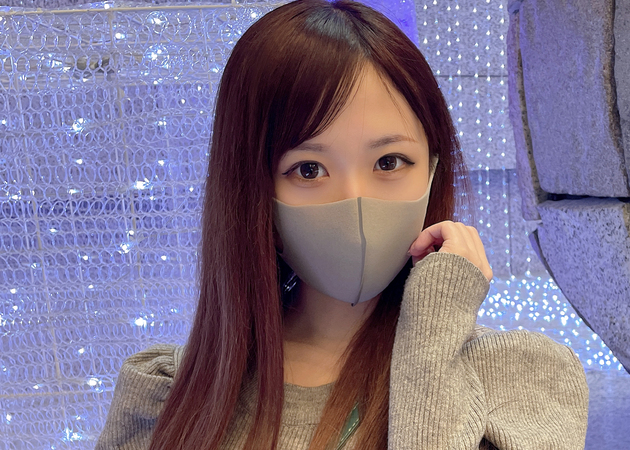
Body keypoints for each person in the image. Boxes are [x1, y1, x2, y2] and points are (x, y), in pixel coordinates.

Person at [94, 1, 588, 449]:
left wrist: (432, 331)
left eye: (390, 162)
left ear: (432, 171)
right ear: (252, 193)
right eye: (309, 169)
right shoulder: (168, 394)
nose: (355, 201)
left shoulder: (518, 381)